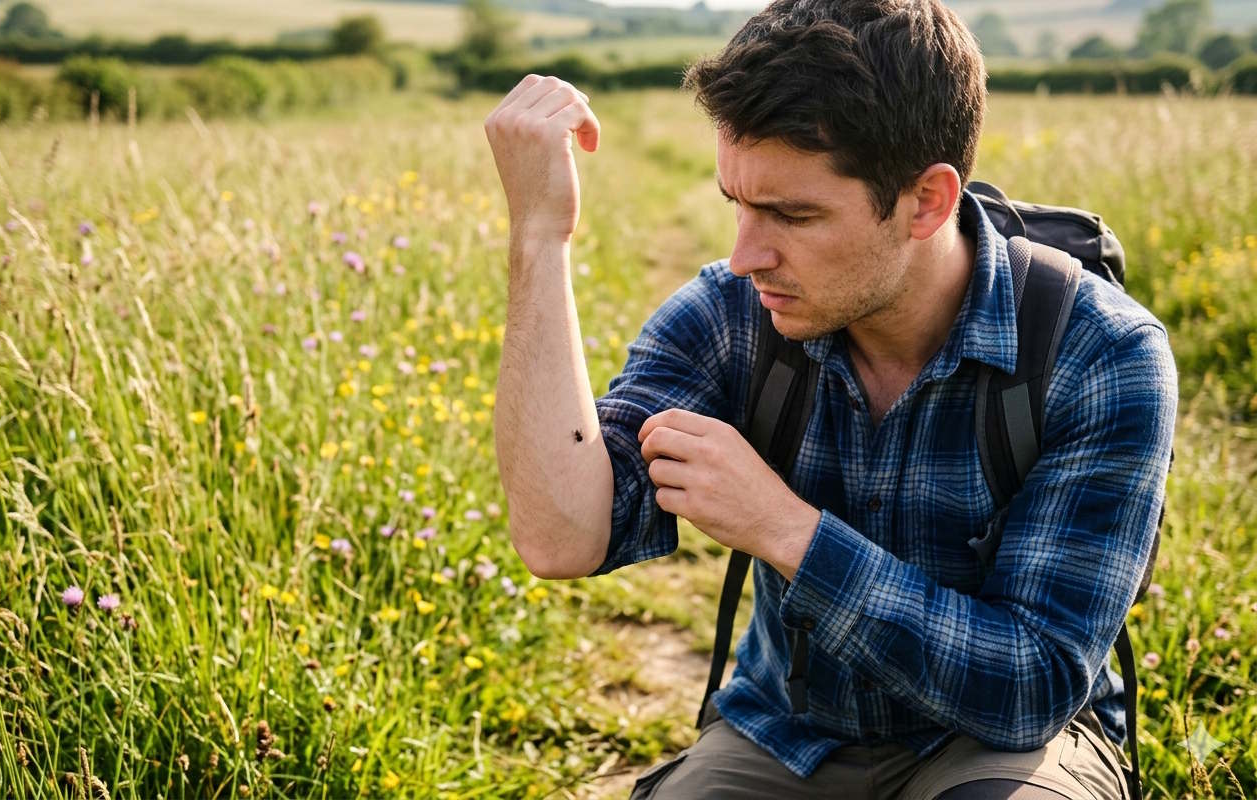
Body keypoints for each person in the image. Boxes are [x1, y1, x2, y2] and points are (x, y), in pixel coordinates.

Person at [484, 0, 1177, 797]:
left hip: (1008, 749)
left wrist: (786, 530)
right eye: (737, 203)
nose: (745, 254)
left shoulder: (1098, 352)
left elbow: (1031, 687)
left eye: (792, 214)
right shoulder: (731, 315)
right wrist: (539, 237)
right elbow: (562, 539)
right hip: (791, 731)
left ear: (927, 202)